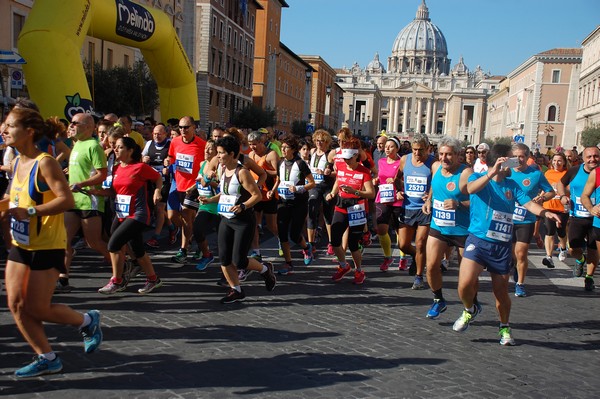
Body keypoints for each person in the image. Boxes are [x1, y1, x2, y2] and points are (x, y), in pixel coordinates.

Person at [3, 107, 102, 378]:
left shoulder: (45, 162)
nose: (4, 130)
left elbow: (66, 200)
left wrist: (32, 212)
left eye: (10, 126)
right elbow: (14, 199)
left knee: (37, 308)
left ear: (29, 131)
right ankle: (47, 357)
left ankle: (87, 320)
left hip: (47, 244)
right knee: (15, 304)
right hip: (21, 243)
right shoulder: (16, 163)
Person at [452, 144, 562, 346]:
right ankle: (469, 310)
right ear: (500, 161)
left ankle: (504, 326)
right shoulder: (477, 177)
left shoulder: (512, 185)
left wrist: (545, 213)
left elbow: (529, 204)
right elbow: (469, 189)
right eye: (512, 159)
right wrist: (490, 173)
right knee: (464, 284)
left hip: (501, 245)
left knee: (500, 291)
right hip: (478, 240)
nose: (517, 162)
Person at [199, 135, 276, 303]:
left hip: (243, 221)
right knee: (225, 259)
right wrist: (210, 200)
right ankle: (236, 289)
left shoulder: (242, 172)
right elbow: (225, 194)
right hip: (226, 218)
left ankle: (265, 269)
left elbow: (256, 195)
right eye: (217, 153)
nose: (218, 157)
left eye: (221, 153)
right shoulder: (221, 169)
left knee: (239, 260)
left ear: (232, 154)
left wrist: (243, 206)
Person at [92, 137, 164, 294]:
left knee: (113, 244)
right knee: (138, 250)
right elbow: (113, 192)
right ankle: (153, 279)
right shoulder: (116, 169)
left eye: (120, 147)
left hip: (138, 214)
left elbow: (158, 177)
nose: (116, 150)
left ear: (130, 151)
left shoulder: (140, 167)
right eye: (115, 147)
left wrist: (157, 191)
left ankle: (117, 281)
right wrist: (96, 192)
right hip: (121, 214)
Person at [422, 136, 472, 319]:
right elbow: (434, 189)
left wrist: (459, 204)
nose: (444, 158)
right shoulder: (435, 167)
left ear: (458, 155)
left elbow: (478, 202)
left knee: (465, 277)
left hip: (462, 230)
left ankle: (470, 306)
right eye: (441, 154)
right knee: (431, 265)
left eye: (449, 154)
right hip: (439, 225)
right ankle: (438, 300)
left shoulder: (466, 173)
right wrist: (428, 201)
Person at [60, 112, 110, 293]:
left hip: (90, 200)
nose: (71, 126)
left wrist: (81, 184)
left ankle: (122, 265)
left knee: (94, 242)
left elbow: (102, 174)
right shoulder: (76, 145)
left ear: (89, 127)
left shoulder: (93, 146)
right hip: (73, 201)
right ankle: (63, 279)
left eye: (75, 123)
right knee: (63, 239)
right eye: (71, 123)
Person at [326, 137, 375, 284]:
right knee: (334, 240)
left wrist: (355, 191)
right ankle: (343, 265)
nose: (346, 161)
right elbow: (338, 181)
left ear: (355, 156)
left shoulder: (364, 171)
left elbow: (371, 193)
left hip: (356, 209)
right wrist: (333, 193)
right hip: (341, 206)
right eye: (344, 158)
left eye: (349, 158)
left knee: (353, 243)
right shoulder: (340, 166)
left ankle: (359, 270)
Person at [508, 143, 554, 298]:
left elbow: (550, 192)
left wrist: (541, 197)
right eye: (516, 156)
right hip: (505, 219)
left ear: (528, 157)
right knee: (512, 254)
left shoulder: (535, 174)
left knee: (521, 253)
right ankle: (515, 267)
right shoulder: (505, 170)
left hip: (525, 219)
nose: (519, 159)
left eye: (522, 156)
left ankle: (520, 284)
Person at [267, 135, 315, 274]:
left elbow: (312, 183)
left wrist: (299, 188)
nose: (282, 149)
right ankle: (288, 264)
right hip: (283, 202)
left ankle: (306, 248)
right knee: (282, 234)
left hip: (299, 203)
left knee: (294, 235)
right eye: (282, 147)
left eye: (285, 147)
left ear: (293, 149)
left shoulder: (300, 163)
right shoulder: (281, 162)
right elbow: (279, 179)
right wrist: (273, 190)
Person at [556, 147, 600, 285]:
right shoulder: (575, 171)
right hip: (578, 216)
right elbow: (560, 183)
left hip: (596, 218)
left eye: (596, 156)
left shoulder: (598, 173)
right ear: (583, 158)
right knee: (573, 248)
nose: (593, 159)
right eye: (589, 157)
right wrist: (563, 196)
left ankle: (589, 277)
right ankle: (580, 259)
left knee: (593, 249)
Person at [396, 133, 434, 289]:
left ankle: (419, 276)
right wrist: (399, 190)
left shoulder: (433, 163)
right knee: (403, 245)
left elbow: (438, 183)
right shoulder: (405, 159)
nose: (417, 153)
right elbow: (398, 178)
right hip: (407, 207)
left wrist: (431, 195)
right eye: (415, 149)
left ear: (428, 149)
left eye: (421, 150)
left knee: (420, 243)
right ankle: (415, 257)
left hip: (424, 209)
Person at [168, 116, 206, 264]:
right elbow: (171, 158)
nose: (183, 130)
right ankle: (192, 237)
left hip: (193, 186)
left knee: (186, 216)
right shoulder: (175, 141)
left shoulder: (201, 145)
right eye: (180, 127)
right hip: (177, 183)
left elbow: (209, 163)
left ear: (193, 128)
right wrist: (168, 163)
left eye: (186, 127)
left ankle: (183, 249)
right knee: (172, 216)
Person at [374, 137, 403, 272]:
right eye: (386, 146)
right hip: (383, 197)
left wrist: (399, 187)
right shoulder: (381, 161)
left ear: (397, 148)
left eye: (391, 146)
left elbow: (407, 180)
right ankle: (387, 257)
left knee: (399, 230)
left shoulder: (402, 162)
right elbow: (381, 177)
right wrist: (375, 180)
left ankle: (403, 258)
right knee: (381, 229)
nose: (387, 148)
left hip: (397, 198)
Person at [191, 139, 220, 270]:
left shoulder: (219, 166)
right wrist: (192, 188)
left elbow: (221, 186)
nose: (206, 151)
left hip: (218, 205)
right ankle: (206, 254)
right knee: (197, 229)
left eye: (210, 149)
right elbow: (200, 181)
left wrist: (209, 181)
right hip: (205, 204)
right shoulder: (203, 164)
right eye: (206, 148)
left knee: (224, 239)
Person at [307, 129, 336, 256]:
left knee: (328, 214)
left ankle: (331, 242)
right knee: (311, 212)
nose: (319, 143)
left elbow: (338, 173)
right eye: (317, 140)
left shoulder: (330, 154)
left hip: (327, 186)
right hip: (315, 186)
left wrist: (327, 173)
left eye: (322, 141)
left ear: (327, 142)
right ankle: (310, 244)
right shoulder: (312, 152)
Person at [142, 124, 171, 249]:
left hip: (165, 180)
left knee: (159, 208)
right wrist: (144, 159)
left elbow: (175, 160)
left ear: (165, 134)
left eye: (159, 134)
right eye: (154, 133)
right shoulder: (149, 144)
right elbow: (141, 157)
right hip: (152, 180)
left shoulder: (170, 144)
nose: (156, 136)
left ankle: (156, 237)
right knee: (156, 208)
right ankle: (172, 227)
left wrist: (169, 165)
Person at [541, 152, 569, 268]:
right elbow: (545, 188)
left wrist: (562, 191)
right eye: (554, 160)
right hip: (549, 206)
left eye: (559, 161)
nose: (556, 163)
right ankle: (549, 257)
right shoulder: (548, 173)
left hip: (562, 207)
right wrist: (540, 197)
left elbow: (570, 190)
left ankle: (563, 248)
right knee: (549, 231)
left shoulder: (567, 174)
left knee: (561, 232)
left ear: (564, 162)